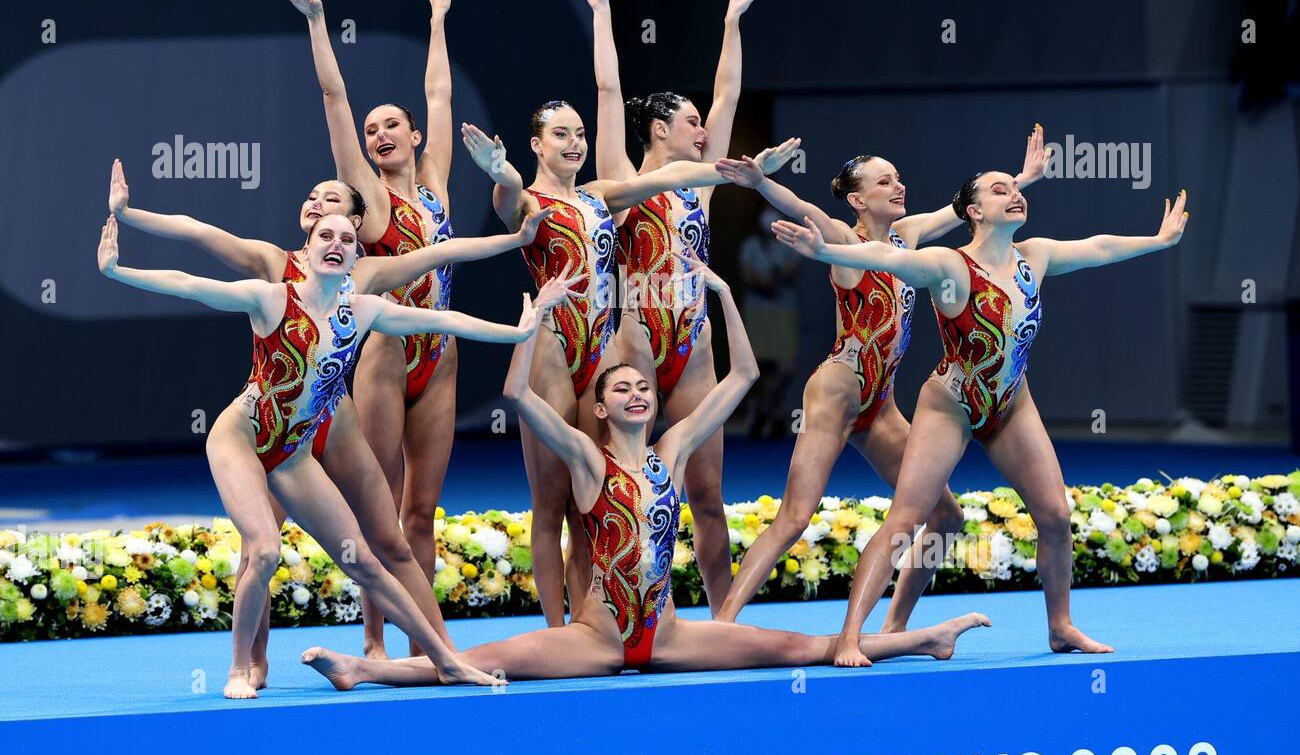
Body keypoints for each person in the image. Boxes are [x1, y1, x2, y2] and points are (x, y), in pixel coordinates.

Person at [300, 251, 989, 689]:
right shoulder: (583, 455)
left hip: (673, 635)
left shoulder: (673, 451)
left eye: (643, 389)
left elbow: (744, 375)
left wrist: (720, 292)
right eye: (621, 389)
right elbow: (515, 397)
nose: (636, 394)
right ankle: (364, 666)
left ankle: (925, 638)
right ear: (599, 407)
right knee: (478, 663)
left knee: (803, 646)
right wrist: (535, 322)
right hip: (596, 640)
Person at [98, 209, 575, 697]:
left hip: (291, 454)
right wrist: (118, 270)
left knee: (365, 562)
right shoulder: (271, 298)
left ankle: (445, 660)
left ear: (354, 255)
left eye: (346, 239)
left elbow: (443, 318)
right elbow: (189, 284)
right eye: (325, 235)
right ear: (305, 251)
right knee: (264, 550)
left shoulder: (363, 311)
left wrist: (517, 331)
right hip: (240, 437)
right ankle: (239, 667)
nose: (336, 243)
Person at [772, 178, 1189, 660]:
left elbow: (1097, 247)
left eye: (1016, 188)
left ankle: (1060, 627)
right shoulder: (951, 265)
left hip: (1011, 403)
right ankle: (851, 636)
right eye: (998, 190)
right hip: (950, 404)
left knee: (1055, 516)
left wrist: (1157, 241)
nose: (1014, 194)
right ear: (973, 211)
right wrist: (825, 251)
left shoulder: (1036, 255)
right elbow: (890, 259)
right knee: (907, 518)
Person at [461, 111, 798, 624]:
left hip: (597, 354)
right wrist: (500, 170)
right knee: (550, 504)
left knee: (587, 504)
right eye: (560, 134)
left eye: (579, 134)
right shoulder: (530, 199)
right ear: (536, 143)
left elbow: (672, 176)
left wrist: (745, 173)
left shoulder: (600, 195)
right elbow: (508, 198)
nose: (574, 142)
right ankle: (557, 630)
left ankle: (592, 624)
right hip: (554, 348)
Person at [713, 126, 1047, 623]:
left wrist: (1020, 180)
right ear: (858, 199)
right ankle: (723, 623)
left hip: (880, 402)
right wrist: (761, 182)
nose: (898, 186)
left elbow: (967, 208)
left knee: (946, 515)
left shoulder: (906, 237)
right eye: (884, 182)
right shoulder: (847, 239)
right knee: (795, 517)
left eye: (898, 178)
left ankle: (895, 623)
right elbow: (807, 212)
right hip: (836, 392)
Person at [281, 0, 470, 657]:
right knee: (380, 508)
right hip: (389, 362)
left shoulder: (438, 182)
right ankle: (373, 639)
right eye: (372, 129)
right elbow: (334, 96)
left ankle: (424, 643)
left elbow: (440, 93)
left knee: (421, 511)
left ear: (415, 137)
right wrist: (316, 23)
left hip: (440, 362)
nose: (379, 133)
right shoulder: (370, 200)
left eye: (392, 125)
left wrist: (439, 22)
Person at [590, 0, 766, 611]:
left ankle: (723, 617)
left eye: (702, 124)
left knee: (709, 494)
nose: (703, 130)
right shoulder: (624, 175)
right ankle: (623, 606)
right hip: (634, 341)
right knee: (623, 483)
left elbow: (728, 96)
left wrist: (731, 21)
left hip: (693, 344)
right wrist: (602, 7)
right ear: (660, 130)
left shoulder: (702, 184)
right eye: (690, 123)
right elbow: (609, 92)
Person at [736, 201, 802, 438]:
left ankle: (766, 410)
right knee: (759, 367)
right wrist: (766, 282)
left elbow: (792, 271)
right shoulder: (751, 246)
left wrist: (774, 278)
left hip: (783, 309)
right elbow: (748, 276)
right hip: (757, 310)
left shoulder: (789, 245)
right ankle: (763, 413)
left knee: (786, 367)